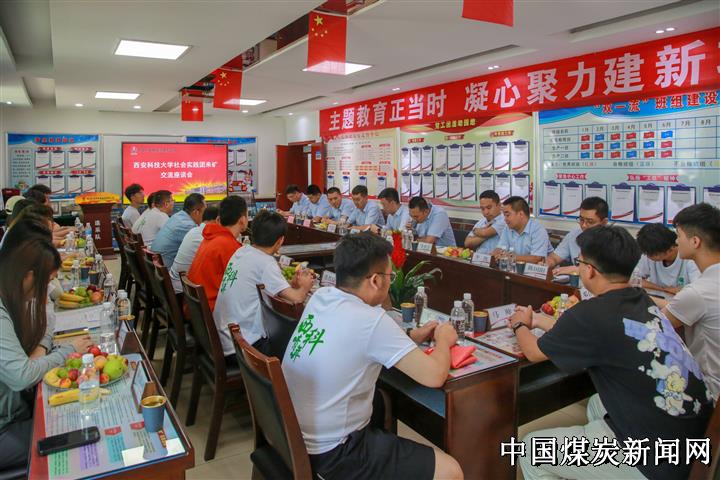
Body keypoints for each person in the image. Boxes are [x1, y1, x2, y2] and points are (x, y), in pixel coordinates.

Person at [511, 226, 712, 480]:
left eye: (579, 263)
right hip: (695, 437)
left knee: (532, 449)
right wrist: (539, 321)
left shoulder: (590, 313)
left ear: (590, 270)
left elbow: (533, 352)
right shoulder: (640, 299)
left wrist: (520, 324)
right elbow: (588, 333)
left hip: (656, 461)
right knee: (597, 404)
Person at [282, 233, 463, 480]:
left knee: (379, 401)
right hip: (335, 454)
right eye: (389, 276)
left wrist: (412, 336)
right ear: (376, 280)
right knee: (450, 471)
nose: (390, 282)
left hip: (291, 437)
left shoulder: (321, 298)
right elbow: (434, 376)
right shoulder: (370, 320)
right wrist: (443, 339)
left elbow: (363, 340)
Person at [0, 236, 93, 471]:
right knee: (81, 428)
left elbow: (39, 334)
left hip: (16, 410)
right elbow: (22, 376)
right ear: (29, 275)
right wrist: (69, 350)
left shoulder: (10, 297)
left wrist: (43, 347)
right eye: (48, 281)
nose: (49, 290)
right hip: (6, 427)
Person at [214, 211, 314, 358]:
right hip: (241, 348)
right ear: (280, 241)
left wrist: (291, 285)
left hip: (223, 337)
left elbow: (272, 285)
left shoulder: (242, 251)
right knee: (295, 341)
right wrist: (305, 286)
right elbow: (297, 299)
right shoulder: (265, 262)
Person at [657, 203, 720, 402]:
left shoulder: (698, 292)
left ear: (695, 241)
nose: (676, 241)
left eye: (678, 235)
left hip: (710, 392)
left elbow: (656, 326)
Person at [187, 196, 247, 311]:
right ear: (243, 220)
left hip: (196, 308)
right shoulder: (229, 246)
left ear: (219, 219)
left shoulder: (210, 238)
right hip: (211, 310)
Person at [545, 197, 609, 273]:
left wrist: (578, 269)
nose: (584, 225)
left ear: (604, 222)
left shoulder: (613, 241)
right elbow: (555, 257)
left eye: (590, 221)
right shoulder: (573, 235)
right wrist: (547, 263)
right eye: (581, 220)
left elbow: (609, 272)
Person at [635, 223, 700, 294]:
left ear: (670, 250)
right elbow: (634, 279)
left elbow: (698, 289)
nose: (648, 256)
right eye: (646, 253)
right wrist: (662, 289)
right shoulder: (650, 251)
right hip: (658, 298)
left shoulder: (690, 257)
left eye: (652, 254)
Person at [169, 206, 218, 294]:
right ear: (218, 220)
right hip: (183, 291)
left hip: (176, 284)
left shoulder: (194, 231)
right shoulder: (207, 237)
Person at [151, 193, 206, 267]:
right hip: (166, 268)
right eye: (204, 212)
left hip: (159, 266)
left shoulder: (177, 216)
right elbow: (204, 248)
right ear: (196, 212)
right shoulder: (188, 226)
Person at [493, 196, 551, 264]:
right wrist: (493, 256)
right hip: (514, 267)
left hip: (538, 269)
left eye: (507, 215)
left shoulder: (538, 230)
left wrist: (509, 257)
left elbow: (537, 259)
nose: (505, 219)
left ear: (521, 214)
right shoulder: (507, 228)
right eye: (504, 216)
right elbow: (500, 248)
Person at [464, 190, 507, 254]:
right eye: (482, 209)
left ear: (499, 205)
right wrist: (485, 233)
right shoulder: (481, 221)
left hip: (495, 258)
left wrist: (475, 230)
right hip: (478, 257)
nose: (486, 212)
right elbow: (467, 243)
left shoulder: (504, 220)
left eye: (489, 208)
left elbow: (485, 233)